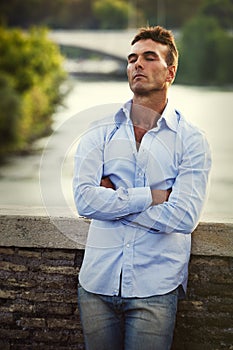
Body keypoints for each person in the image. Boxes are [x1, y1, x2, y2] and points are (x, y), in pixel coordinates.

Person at [73, 25, 211, 350]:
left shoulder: (191, 140)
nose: (138, 64)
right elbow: (83, 200)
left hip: (155, 289)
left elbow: (184, 217)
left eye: (150, 58)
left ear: (170, 72)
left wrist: (112, 203)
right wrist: (151, 197)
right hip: (96, 286)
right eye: (132, 58)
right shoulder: (98, 131)